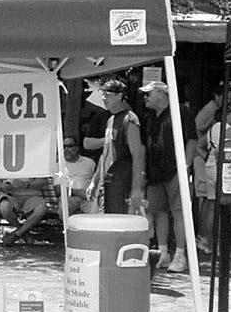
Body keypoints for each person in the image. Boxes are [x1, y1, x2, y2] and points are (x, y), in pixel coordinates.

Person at [141, 82, 190, 272]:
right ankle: (162, 254)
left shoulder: (181, 113)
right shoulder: (149, 117)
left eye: (149, 94)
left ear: (161, 94)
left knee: (179, 212)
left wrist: (184, 166)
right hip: (155, 172)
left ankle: (180, 255)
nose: (145, 98)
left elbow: (192, 140)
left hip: (176, 171)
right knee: (158, 212)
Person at [87, 79, 145, 214]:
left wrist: (136, 189)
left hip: (123, 184)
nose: (103, 98)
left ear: (119, 96)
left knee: (120, 226)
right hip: (107, 184)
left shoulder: (130, 119)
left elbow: (138, 155)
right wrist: (94, 181)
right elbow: (105, 152)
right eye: (102, 94)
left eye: (107, 94)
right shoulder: (111, 120)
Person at [195, 103, 231, 254]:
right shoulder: (229, 129)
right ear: (226, 113)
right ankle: (218, 245)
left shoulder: (213, 127)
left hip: (211, 167)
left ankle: (207, 241)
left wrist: (208, 159)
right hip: (224, 169)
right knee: (223, 206)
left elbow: (199, 146)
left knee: (211, 205)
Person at [0, 177, 52, 245]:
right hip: (10, 196)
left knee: (41, 208)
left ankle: (16, 235)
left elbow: (43, 180)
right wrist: (2, 185)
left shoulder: (37, 166)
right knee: (5, 208)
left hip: (32, 196)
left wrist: (27, 184)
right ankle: (23, 234)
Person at [59, 136, 96, 214]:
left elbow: (97, 181)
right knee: (64, 210)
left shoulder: (90, 162)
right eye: (63, 147)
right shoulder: (58, 165)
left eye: (70, 146)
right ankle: (68, 227)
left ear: (77, 148)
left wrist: (90, 192)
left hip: (87, 198)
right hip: (69, 198)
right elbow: (58, 189)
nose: (66, 149)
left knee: (96, 211)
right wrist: (77, 192)